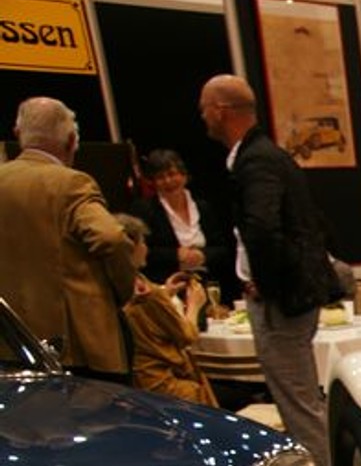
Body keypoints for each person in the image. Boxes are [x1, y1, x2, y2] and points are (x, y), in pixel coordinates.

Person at [199, 74, 344, 466]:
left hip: (283, 301)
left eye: (205, 108)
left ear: (221, 110)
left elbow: (262, 227)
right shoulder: (265, 155)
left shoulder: (256, 160)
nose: (202, 117)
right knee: (301, 403)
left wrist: (266, 281)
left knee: (299, 407)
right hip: (290, 294)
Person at [0, 97, 135, 374]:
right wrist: (123, 291)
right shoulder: (72, 183)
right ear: (71, 140)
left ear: (18, 134)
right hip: (75, 347)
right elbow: (111, 238)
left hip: (11, 344)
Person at [115, 213, 218, 407]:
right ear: (131, 248)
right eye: (143, 242)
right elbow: (187, 336)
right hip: (161, 382)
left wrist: (166, 292)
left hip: (135, 378)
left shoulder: (120, 285)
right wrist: (194, 305)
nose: (146, 248)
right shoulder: (148, 294)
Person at [131, 148, 236, 301]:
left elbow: (223, 249)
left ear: (184, 176)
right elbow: (141, 253)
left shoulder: (203, 207)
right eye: (160, 177)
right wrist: (175, 255)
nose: (168, 181)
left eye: (172, 174)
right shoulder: (145, 210)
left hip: (209, 284)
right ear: (153, 182)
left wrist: (203, 255)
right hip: (169, 287)